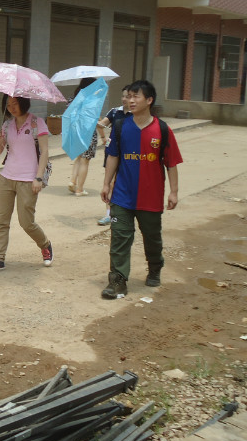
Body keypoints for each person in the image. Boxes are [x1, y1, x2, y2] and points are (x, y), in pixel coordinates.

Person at [100, 80, 183, 299]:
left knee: (152, 238)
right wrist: (106, 183)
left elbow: (171, 163)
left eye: (136, 96)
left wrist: (173, 191)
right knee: (119, 238)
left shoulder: (162, 129)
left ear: (149, 100)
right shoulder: (120, 126)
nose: (130, 100)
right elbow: (113, 156)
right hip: (122, 195)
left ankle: (155, 267)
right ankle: (117, 281)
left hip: (150, 197)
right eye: (128, 96)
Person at [0, 95, 53, 272]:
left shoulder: (37, 123)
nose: (12, 107)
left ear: (23, 102)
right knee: (1, 221)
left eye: (15, 103)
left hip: (28, 180)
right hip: (6, 177)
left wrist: (38, 177)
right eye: (8, 104)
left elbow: (45, 151)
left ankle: (45, 244)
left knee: (26, 222)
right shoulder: (7, 125)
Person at [95, 84, 132, 225]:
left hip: (129, 154)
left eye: (128, 96)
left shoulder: (136, 115)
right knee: (110, 183)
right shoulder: (115, 112)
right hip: (113, 152)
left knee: (123, 182)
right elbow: (101, 125)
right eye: (123, 96)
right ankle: (109, 214)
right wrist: (103, 137)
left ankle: (124, 211)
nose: (124, 99)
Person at [68, 77, 105, 197]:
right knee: (85, 161)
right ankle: (79, 189)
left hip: (75, 133)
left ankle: (72, 181)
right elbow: (98, 121)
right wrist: (103, 137)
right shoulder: (92, 100)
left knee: (78, 157)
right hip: (88, 134)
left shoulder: (72, 99)